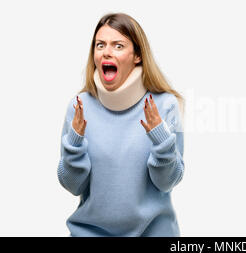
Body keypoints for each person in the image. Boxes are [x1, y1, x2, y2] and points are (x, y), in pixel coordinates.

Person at [57, 13, 185, 236]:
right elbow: (72, 185)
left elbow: (168, 182)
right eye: (100, 45)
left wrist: (160, 138)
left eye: (118, 45)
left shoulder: (165, 105)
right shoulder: (79, 106)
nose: (107, 51)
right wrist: (74, 144)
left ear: (137, 55)